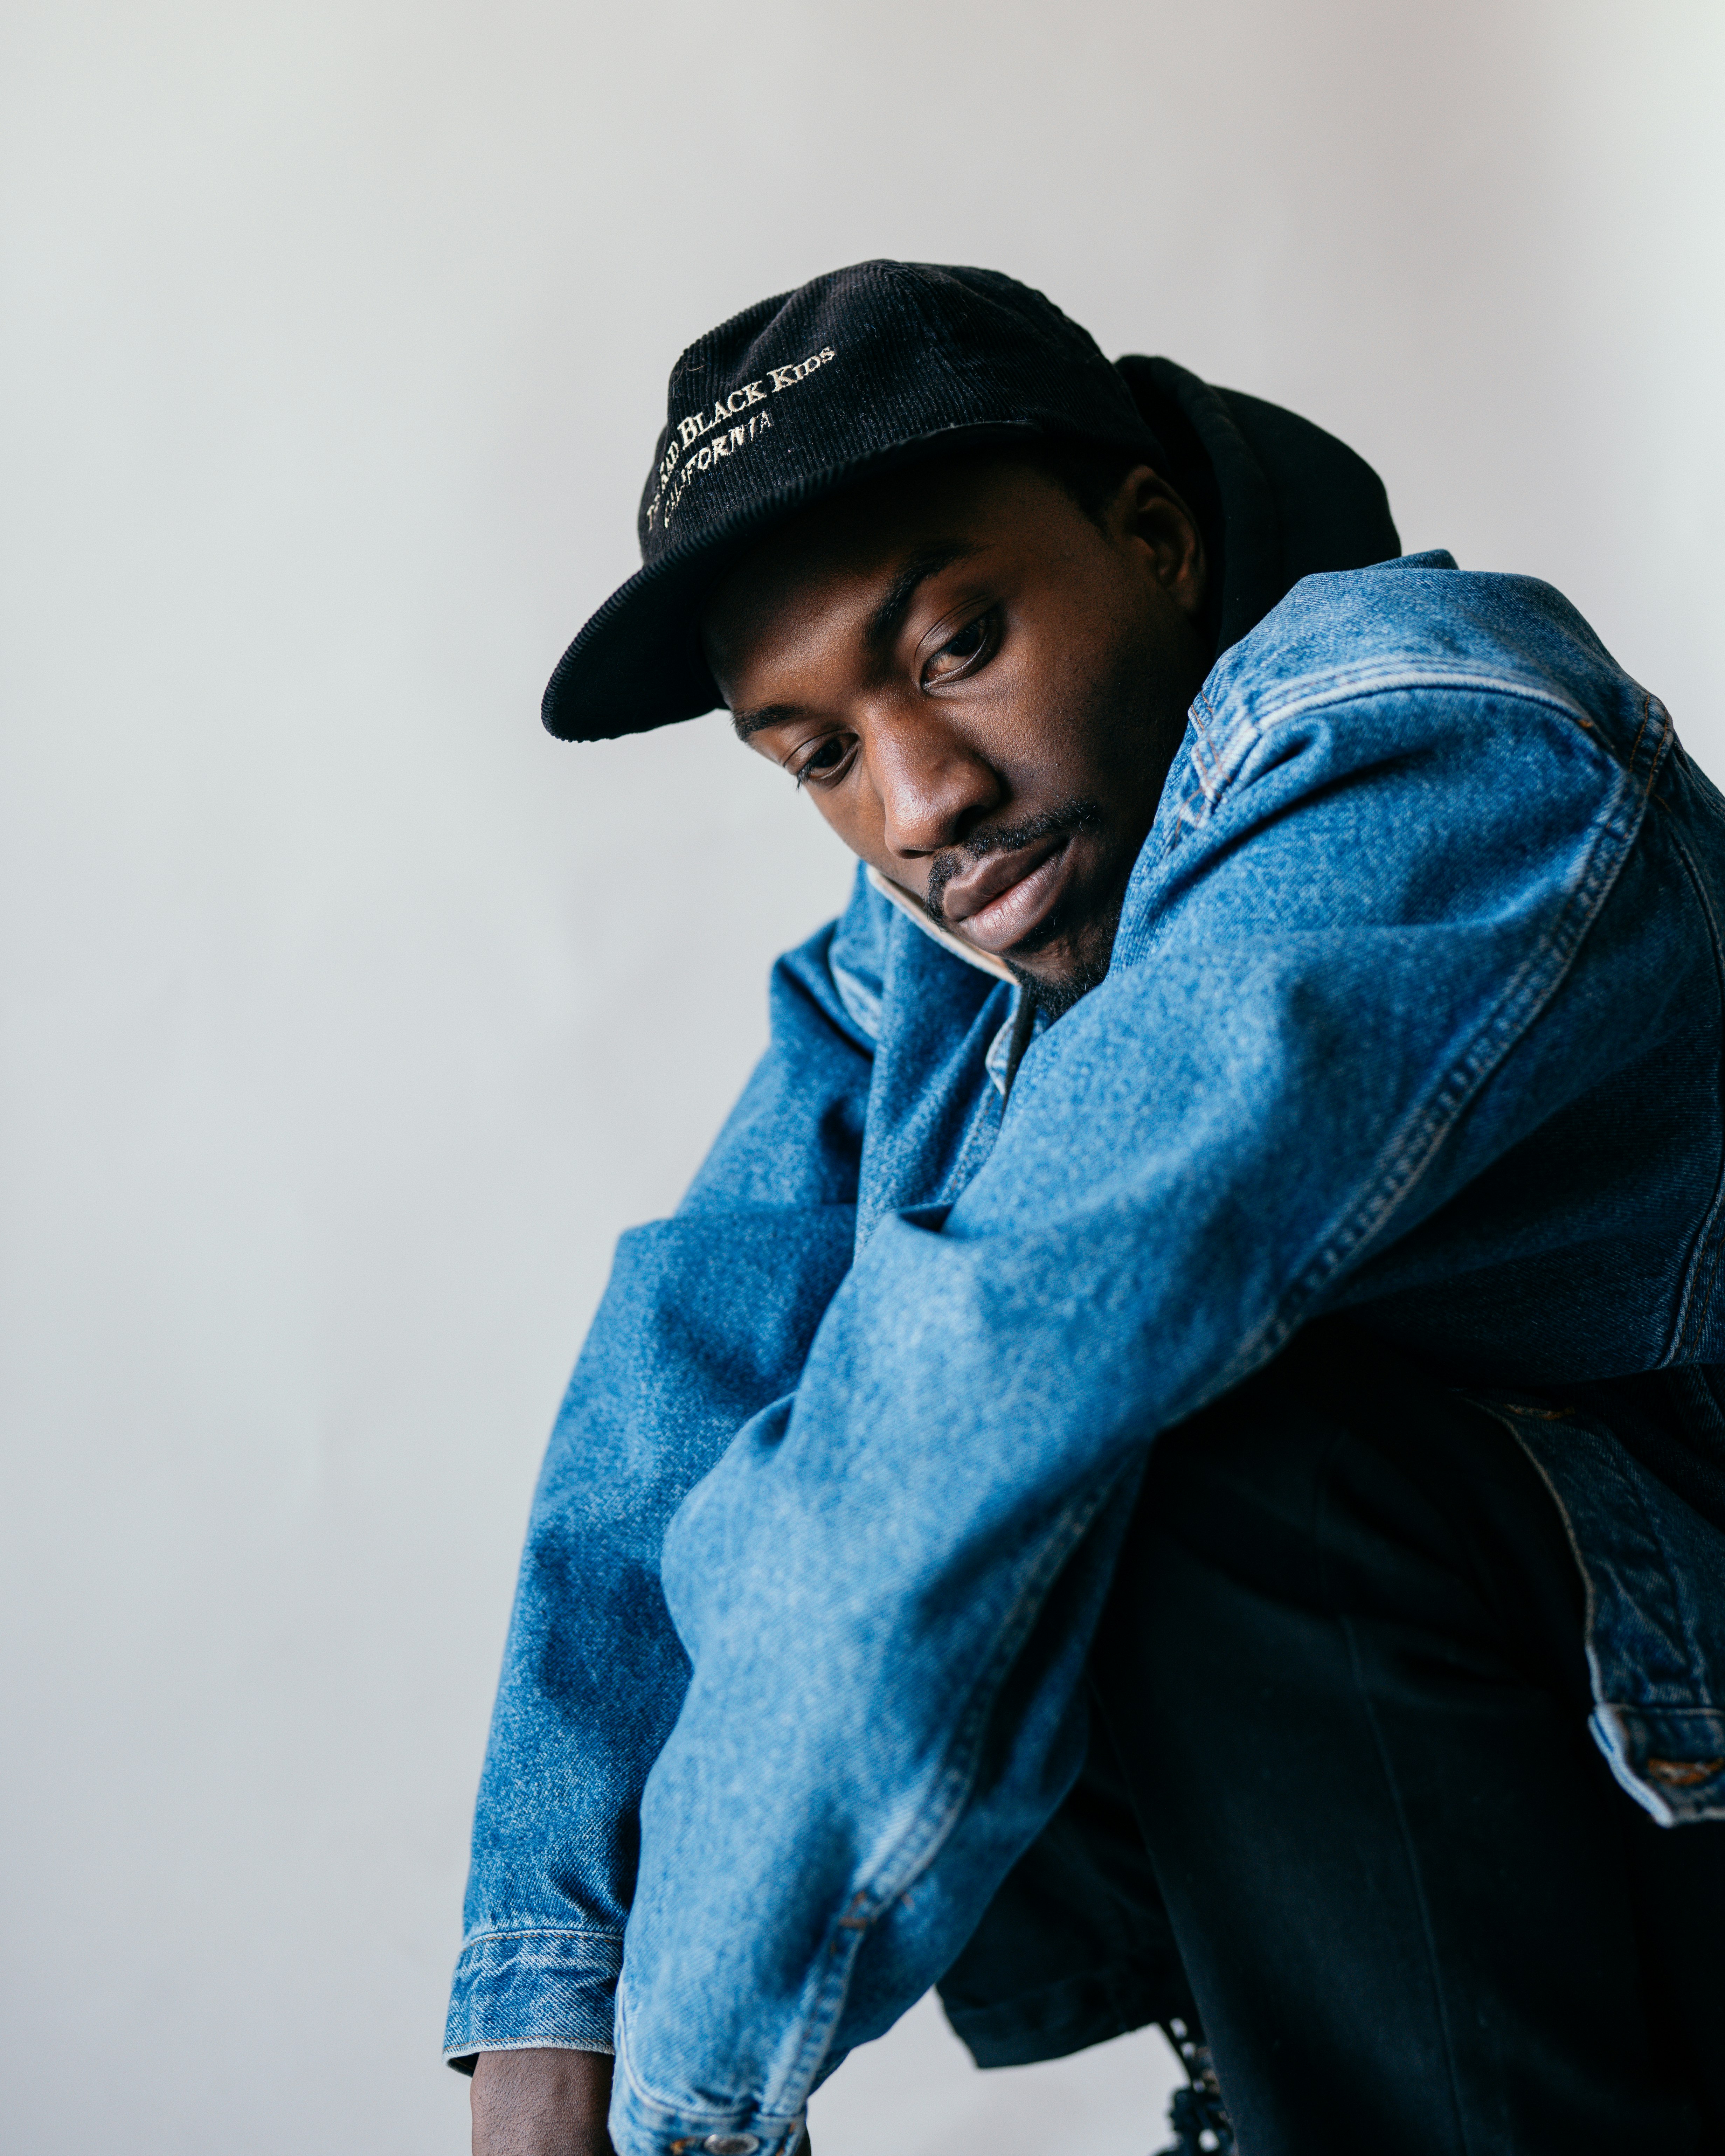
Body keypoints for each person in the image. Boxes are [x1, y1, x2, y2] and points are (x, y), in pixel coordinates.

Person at [447, 262, 1725, 2156]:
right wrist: (541, 1995)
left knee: (1163, 1432)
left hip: (1672, 1818)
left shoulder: (1439, 749)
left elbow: (987, 1370)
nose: (921, 805)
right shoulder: (952, 950)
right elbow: (690, 1369)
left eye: (959, 645)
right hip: (1459, 1874)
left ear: (1154, 538)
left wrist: (684, 2117)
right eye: (819, 754)